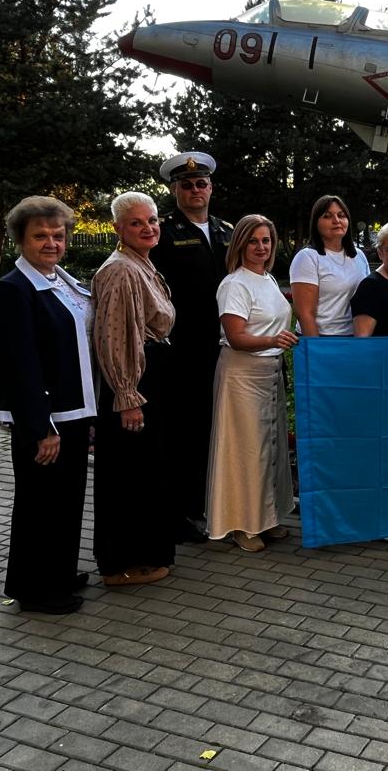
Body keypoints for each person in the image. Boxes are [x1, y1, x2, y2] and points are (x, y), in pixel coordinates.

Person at [0, 196, 95, 615]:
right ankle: (35, 590)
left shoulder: (62, 281)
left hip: (73, 411)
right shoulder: (12, 290)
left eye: (58, 235)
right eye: (41, 236)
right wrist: (40, 427)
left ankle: (59, 572)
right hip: (45, 418)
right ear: (21, 239)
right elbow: (18, 365)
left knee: (65, 500)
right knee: (40, 504)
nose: (52, 243)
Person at [91, 192, 177, 587]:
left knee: (145, 470)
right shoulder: (121, 270)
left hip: (147, 377)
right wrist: (127, 396)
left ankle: (142, 552)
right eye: (137, 223)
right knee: (128, 473)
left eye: (152, 220)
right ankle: (120, 563)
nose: (148, 228)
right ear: (118, 228)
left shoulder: (141, 264)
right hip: (132, 384)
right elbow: (114, 337)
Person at [149, 151, 233, 545]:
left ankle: (208, 501)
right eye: (187, 185)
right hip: (184, 349)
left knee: (216, 426)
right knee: (184, 430)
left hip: (225, 346)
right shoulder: (164, 233)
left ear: (211, 188)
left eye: (201, 183)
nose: (195, 190)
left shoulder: (227, 231)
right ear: (175, 190)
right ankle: (181, 511)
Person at [206, 215, 298, 552]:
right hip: (242, 374)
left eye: (266, 241)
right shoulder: (235, 284)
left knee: (269, 448)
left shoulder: (269, 279)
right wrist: (274, 340)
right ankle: (241, 524)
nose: (261, 247)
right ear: (240, 245)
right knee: (244, 451)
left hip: (270, 372)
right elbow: (236, 336)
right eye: (253, 241)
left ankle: (266, 516)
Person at [289, 195, 369, 337]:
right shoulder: (307, 257)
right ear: (316, 223)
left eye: (341, 215)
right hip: (323, 339)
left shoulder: (359, 255)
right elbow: (305, 314)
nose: (336, 220)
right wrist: (317, 347)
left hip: (356, 337)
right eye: (327, 216)